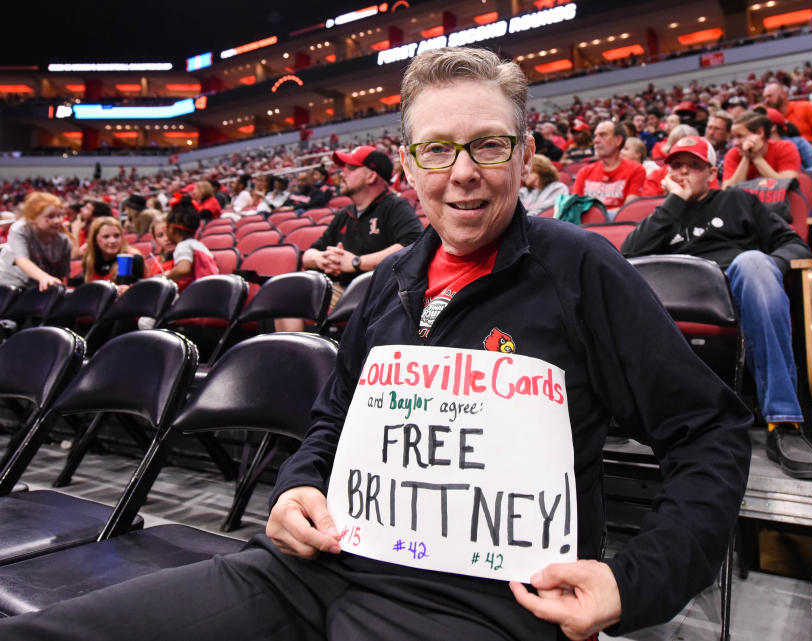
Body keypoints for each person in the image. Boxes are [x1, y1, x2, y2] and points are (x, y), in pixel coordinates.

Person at [0, 47, 752, 641]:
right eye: (437, 150)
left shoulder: (582, 268)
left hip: (483, 605)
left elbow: (708, 429)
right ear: (408, 167)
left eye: (489, 146)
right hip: (310, 571)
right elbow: (333, 420)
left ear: (525, 158)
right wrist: (297, 484)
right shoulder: (388, 281)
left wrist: (635, 581)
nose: (462, 173)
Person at [622, 135, 812, 482]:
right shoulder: (664, 212)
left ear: (712, 172)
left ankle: (785, 423)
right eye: (677, 165)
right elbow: (626, 257)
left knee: (753, 262)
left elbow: (793, 245)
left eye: (694, 165)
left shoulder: (738, 201)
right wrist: (673, 203)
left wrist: (766, 271)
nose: (684, 172)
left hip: (735, 287)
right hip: (674, 299)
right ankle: (619, 413)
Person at [301, 146, 422, 308]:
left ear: (371, 176)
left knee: (295, 300)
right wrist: (321, 259)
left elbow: (413, 246)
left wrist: (356, 262)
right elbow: (308, 254)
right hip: (342, 291)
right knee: (287, 294)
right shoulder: (344, 215)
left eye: (350, 169)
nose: (341, 174)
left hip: (381, 294)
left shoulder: (395, 206)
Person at [0, 191, 71, 292]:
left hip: (37, 286)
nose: (57, 221)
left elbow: (60, 276)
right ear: (32, 218)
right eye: (50, 216)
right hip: (8, 283)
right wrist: (43, 277)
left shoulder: (64, 241)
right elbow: (22, 260)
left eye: (60, 216)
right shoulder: (20, 229)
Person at [571, 120, 646, 214]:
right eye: (595, 136)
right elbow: (574, 210)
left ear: (618, 140)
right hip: (585, 227)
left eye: (603, 135)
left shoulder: (636, 170)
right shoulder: (584, 172)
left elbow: (628, 212)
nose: (596, 141)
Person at [721, 112, 801, 189]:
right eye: (733, 138)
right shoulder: (733, 154)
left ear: (759, 133)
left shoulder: (785, 148)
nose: (735, 143)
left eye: (740, 136)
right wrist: (746, 158)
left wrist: (757, 159)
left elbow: (787, 185)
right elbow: (727, 191)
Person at [163, 199, 219, 291]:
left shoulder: (183, 246)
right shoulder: (199, 245)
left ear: (172, 228)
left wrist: (166, 277)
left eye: (166, 227)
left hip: (197, 296)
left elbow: (183, 269)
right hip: (211, 290)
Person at [761, 108, 812, 179]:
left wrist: (800, 176)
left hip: (797, 186)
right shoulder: (755, 148)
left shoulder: (798, 143)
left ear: (773, 127)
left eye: (758, 125)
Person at [82, 216, 145, 292]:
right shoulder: (90, 260)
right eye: (106, 237)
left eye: (116, 236)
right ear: (95, 240)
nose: (113, 241)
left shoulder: (132, 259)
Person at [761, 81, 812, 147]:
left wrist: (811, 149)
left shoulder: (805, 107)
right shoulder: (766, 118)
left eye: (770, 96)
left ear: (783, 94)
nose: (766, 100)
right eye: (765, 98)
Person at [704, 111, 733, 177]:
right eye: (709, 128)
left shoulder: (731, 151)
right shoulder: (699, 146)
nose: (711, 133)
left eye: (717, 129)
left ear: (728, 132)